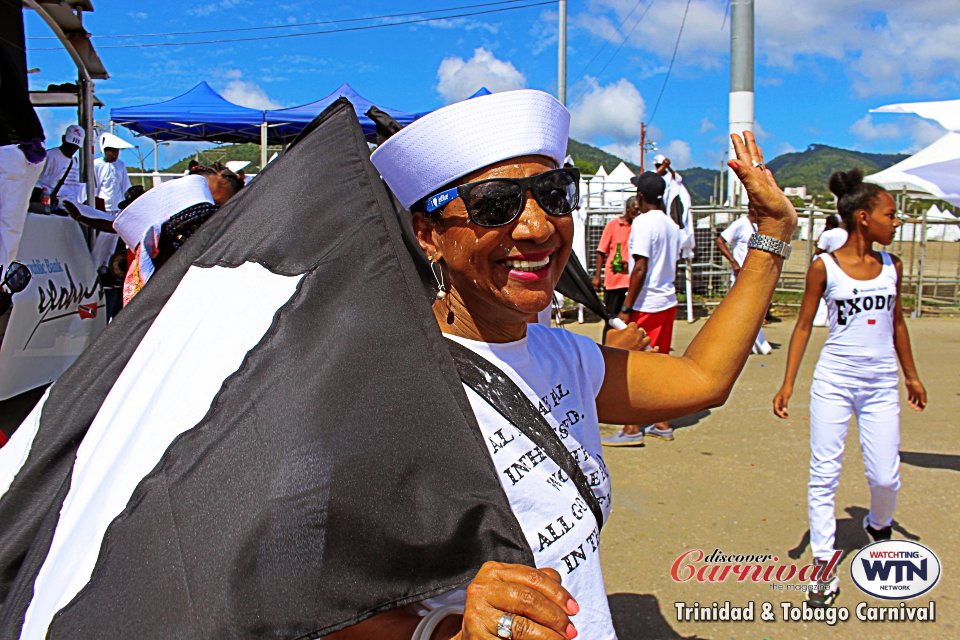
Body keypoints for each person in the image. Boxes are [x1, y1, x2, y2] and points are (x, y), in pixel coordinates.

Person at [352, 89, 797, 639]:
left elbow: (701, 379)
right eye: (495, 204)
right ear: (429, 237)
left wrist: (771, 237)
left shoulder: (562, 355)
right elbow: (332, 614)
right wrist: (452, 633)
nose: (537, 227)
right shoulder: (388, 395)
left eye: (554, 194)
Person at [772, 168, 926, 608]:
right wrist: (788, 384)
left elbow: (896, 323)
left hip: (880, 385)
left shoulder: (892, 267)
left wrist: (911, 375)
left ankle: (880, 524)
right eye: (890, 214)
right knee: (825, 472)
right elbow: (803, 326)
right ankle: (823, 560)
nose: (896, 223)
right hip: (834, 381)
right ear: (863, 218)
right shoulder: (825, 267)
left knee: (885, 475)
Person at [603, 172, 679, 445]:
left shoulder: (644, 223)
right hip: (667, 300)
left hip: (647, 302)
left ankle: (632, 427)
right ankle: (662, 421)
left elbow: (641, 267)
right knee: (658, 361)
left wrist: (627, 306)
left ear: (641, 197)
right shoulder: (671, 224)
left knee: (632, 364)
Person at [0, 0, 46, 272]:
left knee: (9, 223)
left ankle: (2, 275)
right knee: (10, 224)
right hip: (22, 148)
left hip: (13, 149)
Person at [715, 203, 774, 354]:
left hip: (756, 275)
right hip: (740, 274)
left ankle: (751, 341)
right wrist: (733, 262)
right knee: (740, 309)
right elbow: (720, 241)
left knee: (754, 310)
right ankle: (737, 342)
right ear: (752, 209)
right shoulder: (740, 224)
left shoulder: (760, 227)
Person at [593, 196, 638, 343]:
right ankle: (607, 347)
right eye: (635, 209)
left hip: (631, 281)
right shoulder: (613, 225)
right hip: (614, 281)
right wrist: (597, 275)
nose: (637, 212)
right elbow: (601, 251)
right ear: (628, 208)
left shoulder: (638, 227)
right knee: (611, 319)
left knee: (628, 319)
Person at [33, 125, 85, 208]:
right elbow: (35, 182)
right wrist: (46, 197)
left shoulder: (74, 161)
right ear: (63, 139)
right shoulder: (49, 156)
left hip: (71, 207)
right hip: (53, 207)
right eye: (70, 144)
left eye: (75, 147)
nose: (72, 148)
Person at [654, 154, 695, 259]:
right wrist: (663, 165)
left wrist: (667, 167)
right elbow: (652, 177)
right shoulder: (654, 176)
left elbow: (677, 178)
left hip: (671, 212)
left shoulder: (670, 177)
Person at [812, 214, 848, 326]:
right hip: (842, 264)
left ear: (828, 223)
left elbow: (820, 250)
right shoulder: (845, 233)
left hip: (827, 264)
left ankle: (820, 319)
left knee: (821, 292)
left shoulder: (827, 234)